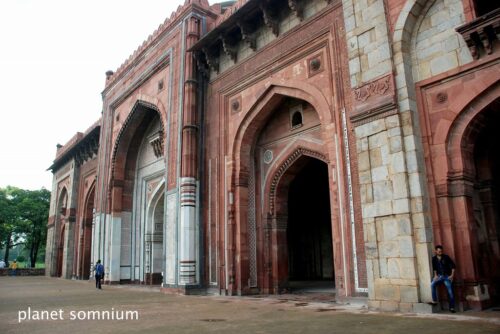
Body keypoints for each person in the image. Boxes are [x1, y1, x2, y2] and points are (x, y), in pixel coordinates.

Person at [430, 245, 456, 313]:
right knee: (432, 284)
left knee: (450, 292)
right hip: (439, 276)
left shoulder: (446, 257)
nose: (440, 252)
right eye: (438, 251)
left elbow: (453, 266)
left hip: (446, 276)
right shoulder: (434, 258)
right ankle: (434, 300)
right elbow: (434, 268)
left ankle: (452, 307)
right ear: (435, 251)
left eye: (441, 251)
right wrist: (435, 276)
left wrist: (452, 275)